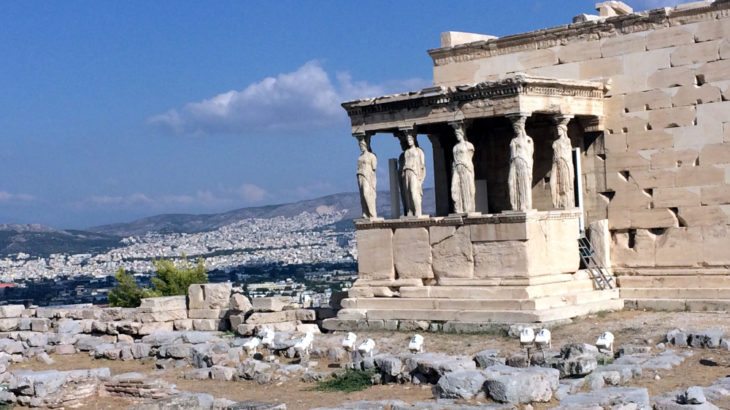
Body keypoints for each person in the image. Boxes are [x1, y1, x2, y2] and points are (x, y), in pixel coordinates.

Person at [508, 115, 534, 211]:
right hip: (514, 163)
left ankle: (524, 205)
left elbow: (530, 154)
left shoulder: (528, 140)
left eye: (517, 128)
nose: (516, 130)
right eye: (515, 128)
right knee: (511, 183)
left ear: (521, 128)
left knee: (524, 184)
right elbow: (512, 155)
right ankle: (515, 205)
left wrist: (529, 167)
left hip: (524, 163)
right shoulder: (513, 140)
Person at [450, 123, 476, 214]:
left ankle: (467, 209)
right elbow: (454, 160)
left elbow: (470, 159)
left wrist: (468, 169)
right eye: (456, 134)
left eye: (458, 134)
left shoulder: (469, 146)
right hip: (457, 168)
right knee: (454, 189)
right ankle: (458, 209)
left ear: (462, 134)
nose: (457, 136)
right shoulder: (455, 147)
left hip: (465, 168)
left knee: (466, 189)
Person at [551, 117, 575, 209]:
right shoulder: (555, 142)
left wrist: (563, 159)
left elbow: (568, 154)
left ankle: (565, 203)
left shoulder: (567, 141)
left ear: (564, 130)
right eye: (557, 129)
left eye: (560, 129)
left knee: (564, 186)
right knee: (553, 184)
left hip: (564, 164)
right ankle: (556, 203)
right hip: (556, 164)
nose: (558, 131)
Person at [400, 132, 426, 217]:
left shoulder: (419, 151)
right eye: (408, 140)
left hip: (415, 173)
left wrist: (421, 179)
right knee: (407, 193)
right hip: (406, 172)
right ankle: (410, 211)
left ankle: (418, 211)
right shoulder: (406, 152)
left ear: (414, 140)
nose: (409, 141)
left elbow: (423, 166)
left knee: (414, 192)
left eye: (410, 139)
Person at [356, 135, 377, 219]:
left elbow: (374, 168)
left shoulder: (372, 156)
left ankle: (372, 213)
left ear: (366, 145)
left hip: (368, 176)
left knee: (366, 193)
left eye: (362, 145)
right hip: (360, 176)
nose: (361, 147)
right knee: (362, 196)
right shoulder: (360, 157)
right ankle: (365, 213)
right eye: (360, 146)